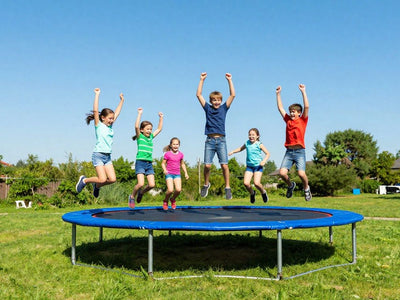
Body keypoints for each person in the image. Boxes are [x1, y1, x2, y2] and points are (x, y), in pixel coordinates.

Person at [76, 88, 125, 197]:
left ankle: (96, 186)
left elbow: (117, 112)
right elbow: (95, 110)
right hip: (98, 155)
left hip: (107, 156)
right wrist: (97, 95)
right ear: (103, 118)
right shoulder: (99, 125)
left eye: (112, 119)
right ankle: (84, 180)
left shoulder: (110, 126)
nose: (112, 120)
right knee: (102, 178)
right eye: (109, 118)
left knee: (112, 179)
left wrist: (122, 101)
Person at [196, 72, 236, 200]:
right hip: (209, 141)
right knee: (207, 165)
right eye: (214, 100)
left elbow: (233, 95)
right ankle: (206, 184)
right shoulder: (207, 108)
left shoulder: (224, 108)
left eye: (218, 100)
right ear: (211, 101)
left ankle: (227, 187)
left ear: (221, 101)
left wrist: (229, 80)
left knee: (224, 165)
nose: (216, 102)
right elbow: (198, 95)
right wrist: (202, 80)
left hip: (221, 141)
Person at [276, 84, 312, 201]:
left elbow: (306, 106)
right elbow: (280, 108)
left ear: (299, 113)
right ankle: (291, 185)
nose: (291, 114)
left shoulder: (303, 120)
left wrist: (303, 91)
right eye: (291, 111)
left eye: (294, 112)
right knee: (282, 173)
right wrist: (278, 94)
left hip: (300, 152)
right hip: (289, 152)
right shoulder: (287, 120)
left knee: (301, 174)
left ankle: (306, 189)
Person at [128, 108, 163, 209]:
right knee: (140, 183)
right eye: (147, 129)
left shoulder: (151, 137)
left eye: (150, 129)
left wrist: (161, 118)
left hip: (149, 164)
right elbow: (136, 126)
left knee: (152, 185)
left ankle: (141, 193)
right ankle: (132, 196)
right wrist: (139, 114)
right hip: (140, 162)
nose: (149, 131)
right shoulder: (140, 137)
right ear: (142, 130)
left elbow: (159, 129)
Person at [229, 128, 270, 203]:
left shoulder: (259, 144)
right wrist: (233, 151)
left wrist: (264, 161)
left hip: (258, 166)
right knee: (246, 183)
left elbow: (267, 153)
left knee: (257, 183)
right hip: (249, 166)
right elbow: (240, 148)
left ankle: (263, 192)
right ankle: (252, 193)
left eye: (253, 135)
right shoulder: (247, 143)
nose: (251, 136)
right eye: (250, 135)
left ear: (257, 136)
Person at [161, 137, 189, 210]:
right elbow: (163, 163)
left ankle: (173, 199)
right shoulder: (167, 154)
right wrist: (164, 170)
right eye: (174, 144)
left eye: (177, 144)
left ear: (179, 145)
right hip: (169, 173)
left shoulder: (181, 155)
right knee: (170, 190)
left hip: (177, 174)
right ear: (171, 145)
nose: (175, 146)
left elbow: (182, 164)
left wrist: (186, 173)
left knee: (178, 189)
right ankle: (165, 200)